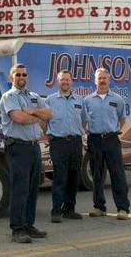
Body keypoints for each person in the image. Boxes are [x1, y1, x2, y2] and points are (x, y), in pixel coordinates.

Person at [0, 63, 53, 244]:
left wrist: (34, 111)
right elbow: (19, 118)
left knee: (32, 189)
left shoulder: (34, 97)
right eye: (17, 74)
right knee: (20, 189)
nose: (21, 77)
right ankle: (17, 229)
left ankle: (29, 225)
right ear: (11, 77)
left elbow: (50, 113)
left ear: (27, 77)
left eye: (24, 74)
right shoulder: (9, 97)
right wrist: (38, 117)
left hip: (33, 147)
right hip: (18, 148)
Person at [83, 67, 130, 220]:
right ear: (94, 81)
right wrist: (87, 137)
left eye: (104, 78)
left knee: (117, 174)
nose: (102, 80)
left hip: (111, 139)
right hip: (95, 140)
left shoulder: (117, 99)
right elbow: (84, 121)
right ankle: (99, 207)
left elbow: (122, 119)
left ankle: (122, 208)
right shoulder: (87, 100)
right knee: (97, 175)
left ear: (109, 80)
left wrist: (114, 131)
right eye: (99, 78)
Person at [45, 70, 86, 223]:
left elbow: (84, 120)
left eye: (67, 80)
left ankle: (69, 209)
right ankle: (56, 211)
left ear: (72, 81)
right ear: (58, 81)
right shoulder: (50, 100)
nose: (65, 82)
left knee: (74, 177)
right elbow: (44, 121)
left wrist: (77, 133)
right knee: (60, 177)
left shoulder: (79, 100)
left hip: (75, 142)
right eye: (62, 80)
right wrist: (49, 133)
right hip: (58, 143)